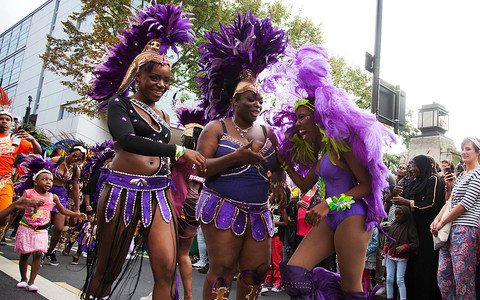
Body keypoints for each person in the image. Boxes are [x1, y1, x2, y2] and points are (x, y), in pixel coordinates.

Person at [85, 4, 205, 299]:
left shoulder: (164, 118)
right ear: (138, 76)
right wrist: (179, 150)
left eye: (166, 80)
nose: (161, 85)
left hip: (158, 194)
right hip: (121, 191)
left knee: (165, 269)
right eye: (154, 78)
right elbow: (127, 141)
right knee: (107, 268)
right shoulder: (120, 104)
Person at [263, 43, 395, 299]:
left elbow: (366, 186)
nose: (297, 123)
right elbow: (302, 185)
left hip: (351, 217)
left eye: (301, 117)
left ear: (317, 116)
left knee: (351, 291)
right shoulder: (324, 150)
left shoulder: (341, 144)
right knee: (294, 273)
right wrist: (284, 161)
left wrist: (328, 204)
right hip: (331, 217)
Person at [195, 11, 288, 299]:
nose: (257, 104)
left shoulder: (268, 132)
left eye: (260, 100)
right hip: (222, 204)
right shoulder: (216, 128)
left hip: (258, 211)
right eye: (251, 99)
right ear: (235, 100)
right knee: (222, 268)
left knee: (256, 270)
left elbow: (280, 166)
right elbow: (202, 168)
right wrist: (236, 158)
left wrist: (279, 183)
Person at [14, 169, 86, 292]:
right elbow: (18, 204)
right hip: (26, 228)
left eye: (51, 180)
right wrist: (31, 202)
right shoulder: (29, 192)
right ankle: (23, 279)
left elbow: (62, 211)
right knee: (25, 255)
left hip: (41, 230)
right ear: (35, 182)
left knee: (38, 254)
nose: (48, 182)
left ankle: (31, 282)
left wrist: (76, 215)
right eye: (44, 179)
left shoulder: (53, 197)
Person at [432, 137, 480, 298]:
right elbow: (450, 202)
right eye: (463, 149)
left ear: (477, 152)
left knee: (463, 280)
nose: (464, 152)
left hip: (465, 230)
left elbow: (464, 205)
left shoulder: (478, 175)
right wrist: (436, 220)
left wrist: (442, 222)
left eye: (468, 149)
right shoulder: (461, 176)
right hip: (449, 230)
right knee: (444, 278)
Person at [392, 155, 443, 299]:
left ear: (422, 166)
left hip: (427, 230)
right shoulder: (415, 181)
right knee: (411, 267)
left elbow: (430, 204)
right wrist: (397, 193)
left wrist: (408, 202)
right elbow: (405, 197)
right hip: (412, 230)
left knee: (425, 266)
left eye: (414, 166)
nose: (411, 169)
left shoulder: (433, 180)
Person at [170, 100, 207, 300]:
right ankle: (188, 296)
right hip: (195, 210)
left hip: (175, 208)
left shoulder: (181, 156)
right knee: (183, 255)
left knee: (169, 255)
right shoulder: (205, 160)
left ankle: (168, 293)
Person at [0, 86, 42, 238]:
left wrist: (32, 139)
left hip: (4, 181)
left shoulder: (15, 140)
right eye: (1, 118)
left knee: (4, 215)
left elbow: (38, 152)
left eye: (7, 119)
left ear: (11, 123)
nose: (4, 121)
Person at [43, 143, 87, 265]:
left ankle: (50, 251)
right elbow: (41, 175)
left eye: (79, 158)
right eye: (75, 155)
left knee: (58, 228)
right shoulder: (55, 161)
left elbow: (76, 189)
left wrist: (77, 209)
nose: (76, 159)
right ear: (70, 152)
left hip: (61, 197)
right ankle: (39, 251)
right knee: (44, 223)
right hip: (47, 193)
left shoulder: (75, 169)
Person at [381, 206, 419, 300]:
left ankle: (403, 298)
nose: (397, 217)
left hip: (402, 258)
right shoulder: (394, 225)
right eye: (396, 214)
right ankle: (389, 297)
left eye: (399, 214)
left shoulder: (409, 227)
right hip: (390, 256)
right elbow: (389, 240)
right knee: (389, 279)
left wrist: (404, 247)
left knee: (400, 280)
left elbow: (415, 243)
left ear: (405, 215)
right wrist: (385, 250)